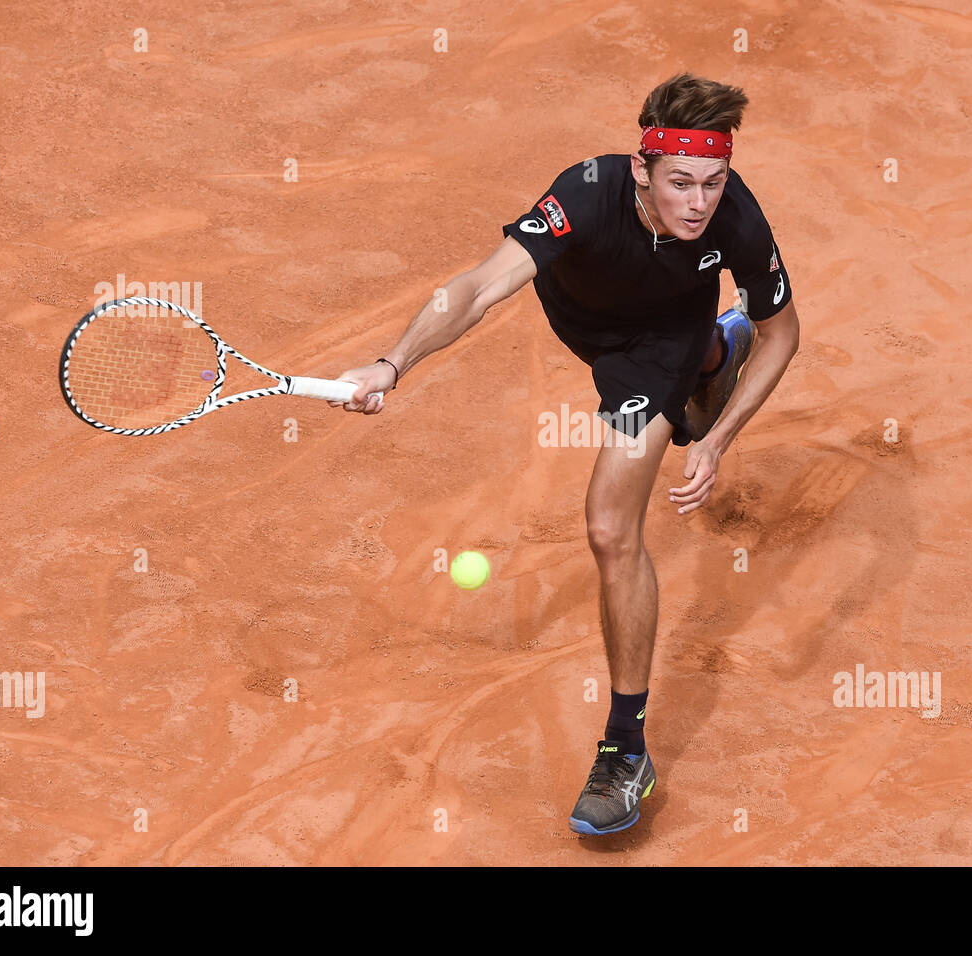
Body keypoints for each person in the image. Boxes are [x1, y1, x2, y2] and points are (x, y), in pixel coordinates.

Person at [333, 73, 799, 836]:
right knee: (710, 360)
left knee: (610, 529)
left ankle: (626, 749)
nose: (699, 202)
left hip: (657, 349)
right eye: (680, 181)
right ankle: (718, 355)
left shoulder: (735, 216)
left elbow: (785, 329)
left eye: (713, 182)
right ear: (640, 168)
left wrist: (717, 441)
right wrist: (391, 364)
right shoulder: (583, 195)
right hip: (585, 322)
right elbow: (481, 288)